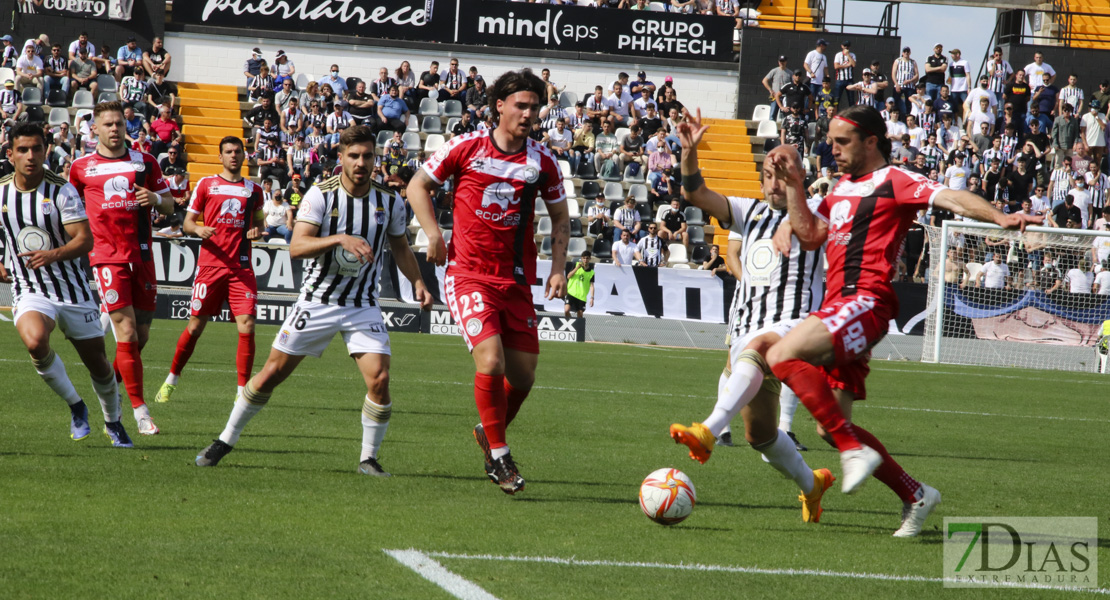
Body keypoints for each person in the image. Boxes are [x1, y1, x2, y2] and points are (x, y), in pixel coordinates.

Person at [759, 104, 1039, 536]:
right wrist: (794, 185)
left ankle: (855, 451)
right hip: (839, 306)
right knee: (830, 428)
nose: (832, 149)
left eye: (843, 141)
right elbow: (812, 234)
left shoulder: (895, 180)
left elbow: (950, 196)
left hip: (865, 301)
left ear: (872, 141)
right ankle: (915, 494)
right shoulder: (841, 189)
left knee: (779, 354)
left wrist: (1000, 216)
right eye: (831, 141)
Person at [196, 126, 433, 474]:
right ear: (342, 158)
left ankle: (369, 458)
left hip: (362, 304)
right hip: (317, 301)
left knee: (379, 379)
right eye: (354, 156)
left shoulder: (390, 200)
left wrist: (417, 281)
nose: (361, 162)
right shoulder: (320, 195)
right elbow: (296, 247)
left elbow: (399, 245)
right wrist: (340, 238)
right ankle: (224, 440)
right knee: (271, 374)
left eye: (368, 156)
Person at [407, 69, 568, 495]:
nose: (529, 113)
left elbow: (561, 219)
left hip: (515, 280)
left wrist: (557, 267)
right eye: (521, 105)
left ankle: (488, 431)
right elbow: (417, 186)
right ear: (500, 106)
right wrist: (434, 233)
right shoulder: (466, 147)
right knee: (491, 362)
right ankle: (499, 456)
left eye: (534, 106)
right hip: (468, 275)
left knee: (525, 376)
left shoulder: (542, 160)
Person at [670, 140, 832, 523]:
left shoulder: (821, 210)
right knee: (760, 437)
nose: (774, 184)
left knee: (761, 345)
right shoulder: (749, 212)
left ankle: (708, 430)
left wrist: (791, 169)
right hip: (748, 332)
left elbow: (812, 228)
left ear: (799, 176)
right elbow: (695, 193)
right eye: (768, 177)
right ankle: (813, 486)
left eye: (783, 176)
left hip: (796, 328)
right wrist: (688, 154)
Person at [0, 122, 131, 447]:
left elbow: (85, 240)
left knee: (99, 365)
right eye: (23, 150)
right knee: (35, 342)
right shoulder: (1, 191)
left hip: (72, 290)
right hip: (30, 290)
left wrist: (52, 254)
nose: (31, 156)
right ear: (10, 154)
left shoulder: (61, 190)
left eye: (37, 149)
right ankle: (76, 405)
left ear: (46, 151)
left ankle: (113, 422)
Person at [70, 102, 174, 436]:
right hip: (106, 257)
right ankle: (141, 413)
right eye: (108, 124)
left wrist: (155, 200)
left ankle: (107, 388)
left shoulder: (145, 161)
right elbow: (67, 211)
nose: (115, 129)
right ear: (95, 130)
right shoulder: (81, 168)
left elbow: (170, 203)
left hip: (142, 256)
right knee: (125, 332)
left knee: (140, 337)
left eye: (118, 123)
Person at [155, 137, 264, 405]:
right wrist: (199, 229)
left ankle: (242, 393)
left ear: (244, 156)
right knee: (195, 326)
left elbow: (260, 226)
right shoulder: (207, 184)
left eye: (238, 151)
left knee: (247, 325)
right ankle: (172, 379)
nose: (234, 156)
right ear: (220, 157)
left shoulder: (254, 190)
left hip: (241, 267)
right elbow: (188, 223)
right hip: (210, 266)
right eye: (228, 152)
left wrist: (256, 231)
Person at [564, 252, 595, 318]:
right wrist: (577, 268)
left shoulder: (591, 272)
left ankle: (577, 327)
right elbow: (568, 276)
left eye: (587, 258)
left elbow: (591, 286)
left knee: (580, 314)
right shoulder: (576, 265)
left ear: (590, 258)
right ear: (581, 258)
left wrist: (592, 297)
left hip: (581, 296)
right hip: (571, 293)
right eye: (584, 258)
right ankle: (570, 324)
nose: (585, 260)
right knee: (566, 310)